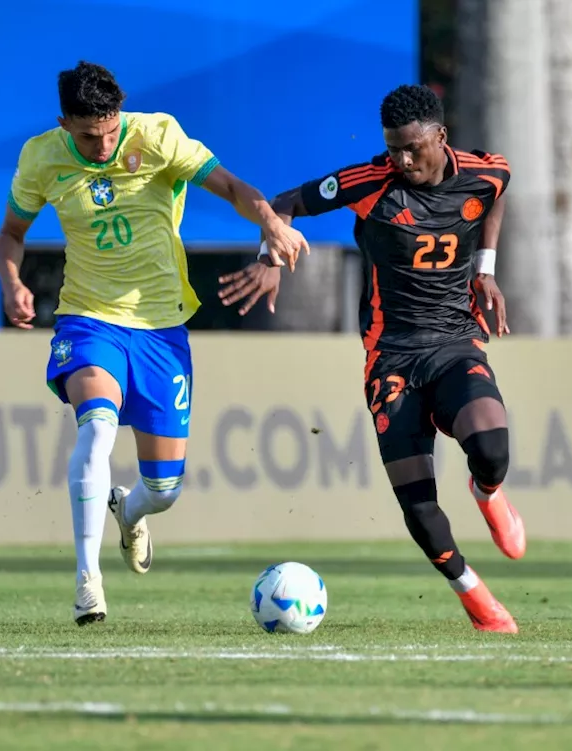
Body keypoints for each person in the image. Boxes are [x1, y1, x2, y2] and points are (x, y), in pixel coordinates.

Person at [0, 61, 308, 626]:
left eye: (110, 130)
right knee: (97, 431)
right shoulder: (41, 157)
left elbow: (232, 186)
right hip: (88, 319)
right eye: (88, 135)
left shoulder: (158, 135)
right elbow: (11, 236)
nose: (103, 144)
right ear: (64, 121)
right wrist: (13, 282)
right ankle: (88, 581)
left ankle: (129, 510)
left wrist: (269, 221)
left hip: (162, 329)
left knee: (164, 489)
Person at [217, 84, 525, 633]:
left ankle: (487, 490)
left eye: (412, 149)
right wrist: (269, 252)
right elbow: (285, 202)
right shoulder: (369, 182)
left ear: (440, 138)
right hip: (392, 360)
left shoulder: (483, 171)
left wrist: (485, 270)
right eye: (392, 149)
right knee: (419, 504)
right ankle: (475, 597)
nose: (401, 161)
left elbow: (499, 188)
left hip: (454, 342)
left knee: (493, 448)